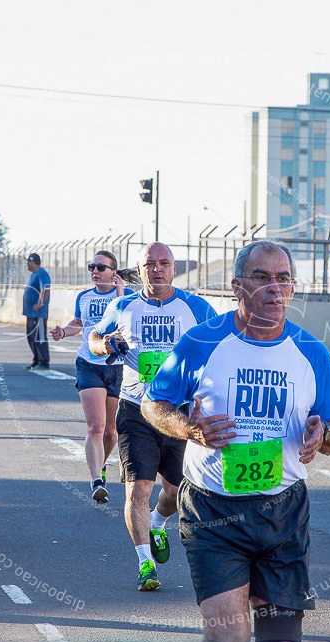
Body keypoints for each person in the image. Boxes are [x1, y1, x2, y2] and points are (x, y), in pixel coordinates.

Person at [142, 240, 330, 642]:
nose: (275, 289)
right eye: (261, 277)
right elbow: (153, 404)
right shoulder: (202, 342)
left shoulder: (312, 352)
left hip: (282, 511)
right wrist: (190, 429)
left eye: (284, 278)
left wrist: (324, 435)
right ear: (238, 286)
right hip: (213, 511)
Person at [89, 242, 216, 592]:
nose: (157, 269)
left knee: (176, 492)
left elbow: (224, 341)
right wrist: (104, 345)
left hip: (177, 413)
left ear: (174, 268)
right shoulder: (123, 305)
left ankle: (158, 524)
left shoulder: (195, 307)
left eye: (164, 263)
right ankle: (145, 563)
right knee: (139, 489)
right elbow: (94, 337)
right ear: (139, 270)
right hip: (135, 408)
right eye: (149, 264)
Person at [51, 250, 134, 503]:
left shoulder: (128, 296)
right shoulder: (84, 297)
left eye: (101, 267)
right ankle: (96, 481)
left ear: (114, 272)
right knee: (95, 427)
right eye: (92, 267)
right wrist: (64, 332)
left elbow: (127, 321)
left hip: (117, 365)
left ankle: (102, 466)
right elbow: (79, 323)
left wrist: (120, 294)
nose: (95, 272)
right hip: (89, 363)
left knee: (111, 432)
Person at [23, 252, 51, 370]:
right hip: (30, 313)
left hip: (38, 313)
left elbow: (45, 288)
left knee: (40, 337)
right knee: (31, 336)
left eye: (29, 262)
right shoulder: (34, 274)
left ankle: (44, 361)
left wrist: (40, 303)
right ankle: (36, 359)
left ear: (33, 262)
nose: (27, 265)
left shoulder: (42, 273)